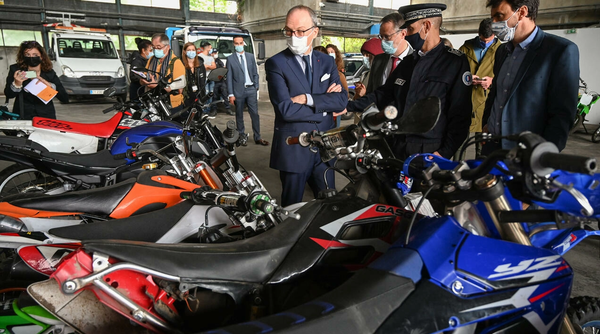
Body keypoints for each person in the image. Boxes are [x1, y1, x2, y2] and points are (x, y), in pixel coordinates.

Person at [266, 5, 347, 207]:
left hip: (325, 148)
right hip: (294, 147)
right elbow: (285, 109)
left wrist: (307, 98)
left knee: (330, 203)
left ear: (315, 31)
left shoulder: (327, 62)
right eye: (289, 31)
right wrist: (324, 107)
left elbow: (342, 100)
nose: (294, 36)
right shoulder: (276, 63)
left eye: (301, 31)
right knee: (292, 206)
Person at [482, 0, 579, 153]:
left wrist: (545, 154)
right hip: (492, 146)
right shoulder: (502, 51)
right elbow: (496, 92)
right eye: (492, 17)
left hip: (528, 152)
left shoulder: (559, 51)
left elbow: (562, 113)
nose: (493, 23)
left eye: (499, 16)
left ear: (522, 12)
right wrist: (487, 123)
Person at [459, 18, 501, 157]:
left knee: (482, 144)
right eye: (483, 40)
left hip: (486, 102)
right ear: (478, 33)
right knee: (459, 143)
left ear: (495, 34)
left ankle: (479, 174)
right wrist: (468, 78)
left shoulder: (501, 51)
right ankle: (455, 172)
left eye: (488, 40)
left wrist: (492, 81)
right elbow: (455, 71)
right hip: (465, 100)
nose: (485, 43)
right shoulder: (466, 48)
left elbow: (508, 77)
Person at [4, 40, 68, 120]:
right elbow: (9, 94)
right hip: (23, 116)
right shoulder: (16, 70)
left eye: (35, 55)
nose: (31, 57)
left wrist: (50, 87)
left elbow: (64, 98)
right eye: (27, 55)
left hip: (46, 117)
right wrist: (16, 84)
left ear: (41, 56)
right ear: (23, 56)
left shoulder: (48, 72)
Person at [354, 13, 412, 100]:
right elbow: (371, 92)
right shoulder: (378, 60)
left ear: (403, 34)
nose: (382, 41)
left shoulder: (416, 60)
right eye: (381, 37)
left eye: (387, 37)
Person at [227, 36, 267, 146]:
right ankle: (241, 137)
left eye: (240, 43)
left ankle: (258, 137)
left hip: (251, 90)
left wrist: (256, 86)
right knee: (239, 114)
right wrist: (231, 94)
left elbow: (255, 73)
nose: (239, 45)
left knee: (254, 114)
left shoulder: (250, 57)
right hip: (238, 91)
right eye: (236, 43)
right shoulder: (230, 59)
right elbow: (229, 78)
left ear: (243, 44)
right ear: (234, 45)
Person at [140, 33, 186, 109]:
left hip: (170, 105)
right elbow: (145, 75)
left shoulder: (175, 62)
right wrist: (143, 81)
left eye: (159, 47)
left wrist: (157, 87)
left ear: (168, 47)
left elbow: (180, 86)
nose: (155, 50)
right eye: (153, 47)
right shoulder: (151, 60)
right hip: (152, 102)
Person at [326, 44, 349, 127]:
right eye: (327, 52)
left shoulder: (339, 75)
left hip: (335, 110)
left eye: (332, 52)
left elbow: (346, 94)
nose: (329, 54)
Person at [181, 42, 206, 107]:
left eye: (193, 50)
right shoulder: (181, 64)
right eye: (189, 50)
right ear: (184, 52)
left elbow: (203, 81)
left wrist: (203, 96)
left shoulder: (200, 64)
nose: (191, 52)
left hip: (198, 94)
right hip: (186, 95)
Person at [212, 49, 233, 115]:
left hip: (221, 80)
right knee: (214, 96)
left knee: (225, 95)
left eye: (216, 52)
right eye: (214, 53)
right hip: (214, 81)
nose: (215, 54)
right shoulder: (210, 60)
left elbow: (223, 69)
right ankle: (214, 110)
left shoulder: (219, 60)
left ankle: (228, 109)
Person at [199, 41, 217, 116]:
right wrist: (208, 67)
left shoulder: (211, 57)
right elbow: (202, 67)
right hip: (204, 79)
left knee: (211, 94)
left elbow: (214, 66)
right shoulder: (200, 56)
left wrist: (207, 66)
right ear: (208, 47)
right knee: (205, 94)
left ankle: (209, 110)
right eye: (210, 47)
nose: (211, 48)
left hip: (211, 78)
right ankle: (204, 110)